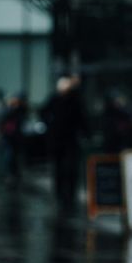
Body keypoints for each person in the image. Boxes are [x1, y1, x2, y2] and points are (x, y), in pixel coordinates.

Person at [40, 74, 88, 213]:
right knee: (60, 170)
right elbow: (43, 113)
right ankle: (62, 196)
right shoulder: (56, 100)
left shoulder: (74, 100)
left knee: (70, 170)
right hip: (60, 141)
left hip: (68, 141)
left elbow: (82, 119)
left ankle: (67, 196)